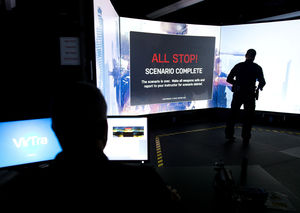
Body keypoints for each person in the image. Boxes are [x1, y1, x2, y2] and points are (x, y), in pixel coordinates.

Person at [1, 82, 179, 211]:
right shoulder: (144, 181)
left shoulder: (21, 191)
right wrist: (169, 199)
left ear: (54, 129)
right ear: (104, 129)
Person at [225, 49, 266, 145]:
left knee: (233, 115)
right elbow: (262, 82)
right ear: (254, 56)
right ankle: (246, 137)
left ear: (246, 55)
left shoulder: (239, 66)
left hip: (238, 94)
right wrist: (259, 87)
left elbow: (229, 79)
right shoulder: (257, 68)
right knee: (248, 117)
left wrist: (237, 84)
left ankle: (229, 135)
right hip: (250, 95)